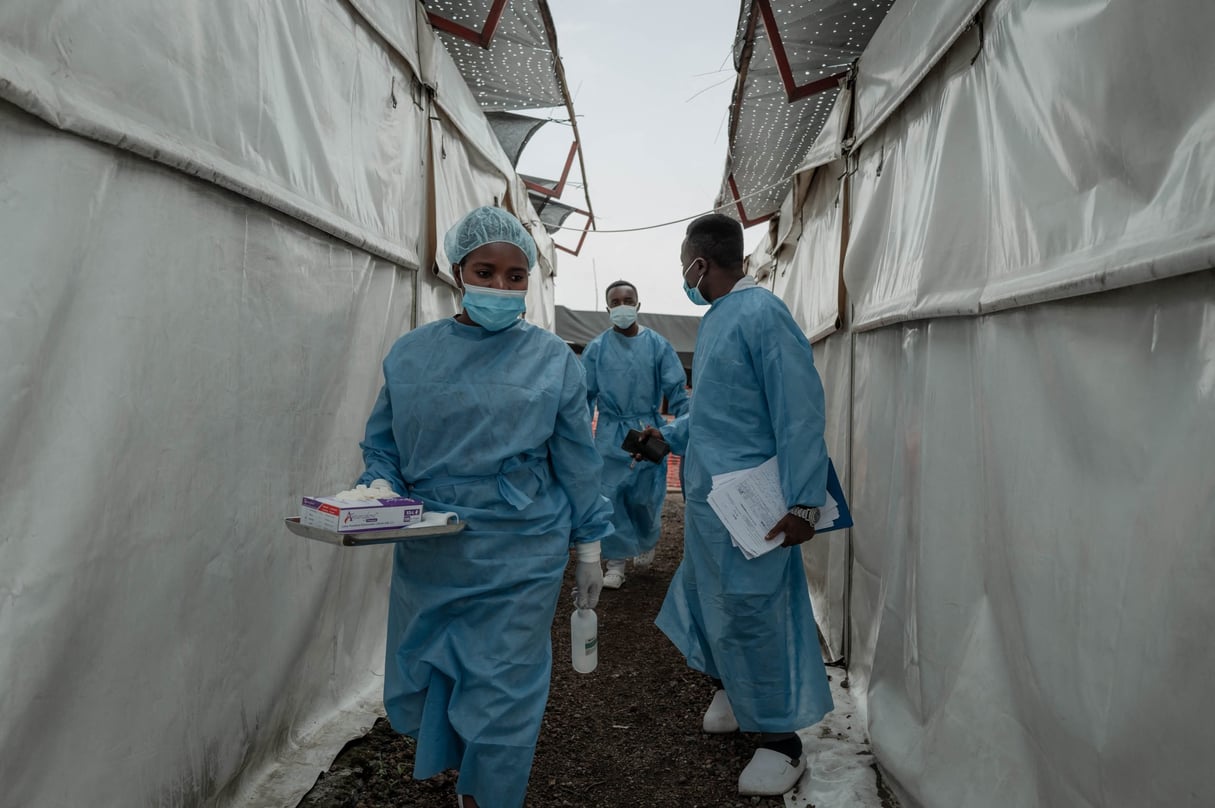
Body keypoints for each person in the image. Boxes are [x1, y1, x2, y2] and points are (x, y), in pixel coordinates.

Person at [355, 206, 611, 808]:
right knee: (439, 674)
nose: (501, 287)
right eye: (486, 271)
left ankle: (492, 797)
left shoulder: (554, 360)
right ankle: (467, 782)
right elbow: (383, 444)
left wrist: (590, 544)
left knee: (504, 690)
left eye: (516, 276)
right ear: (456, 272)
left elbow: (577, 460)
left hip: (521, 550)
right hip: (432, 548)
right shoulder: (410, 355)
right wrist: (382, 487)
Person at [639, 213, 833, 797]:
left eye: (683, 266)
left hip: (754, 508)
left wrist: (804, 503)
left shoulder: (763, 314)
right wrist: (667, 439)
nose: (682, 275)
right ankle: (733, 686)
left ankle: (781, 741)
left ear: (701, 263)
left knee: (753, 613)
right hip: (711, 507)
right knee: (708, 600)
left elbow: (798, 410)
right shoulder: (721, 318)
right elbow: (718, 410)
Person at [582, 280, 690, 589]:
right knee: (611, 498)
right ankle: (615, 563)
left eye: (627, 300)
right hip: (609, 433)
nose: (622, 306)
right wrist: (581, 440)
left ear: (638, 305)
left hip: (646, 430)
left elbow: (676, 391)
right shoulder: (596, 349)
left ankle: (646, 538)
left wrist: (684, 425)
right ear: (607, 309)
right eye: (615, 302)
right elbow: (584, 398)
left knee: (645, 498)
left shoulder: (657, 345)